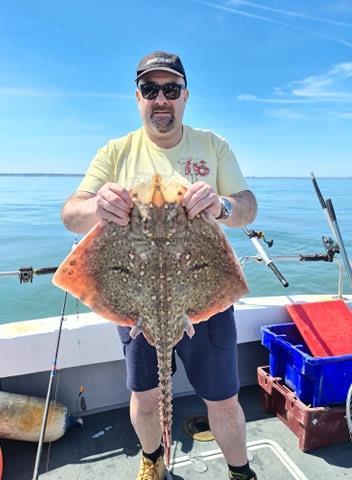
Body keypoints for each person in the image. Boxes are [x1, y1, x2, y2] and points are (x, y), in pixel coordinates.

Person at [61, 51, 258, 480]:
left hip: (204, 303)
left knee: (223, 399)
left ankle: (241, 472)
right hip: (136, 304)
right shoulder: (116, 152)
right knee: (147, 396)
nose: (161, 99)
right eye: (151, 90)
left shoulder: (213, 145)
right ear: (138, 97)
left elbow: (247, 208)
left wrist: (221, 204)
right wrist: (97, 205)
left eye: (170, 89)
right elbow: (70, 214)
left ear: (185, 95)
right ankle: (153, 460)